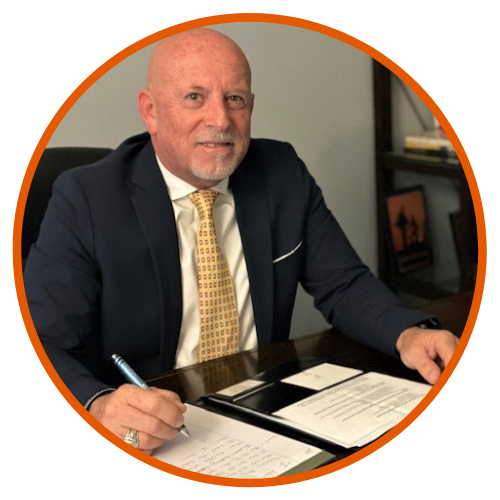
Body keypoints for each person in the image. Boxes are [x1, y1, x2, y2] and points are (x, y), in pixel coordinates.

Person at [24, 28, 459, 454]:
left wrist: (407, 333)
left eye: (235, 99)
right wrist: (97, 406)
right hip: (153, 425)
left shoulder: (282, 171)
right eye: (195, 97)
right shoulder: (85, 197)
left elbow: (343, 283)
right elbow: (44, 339)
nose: (220, 119)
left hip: (262, 408)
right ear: (151, 110)